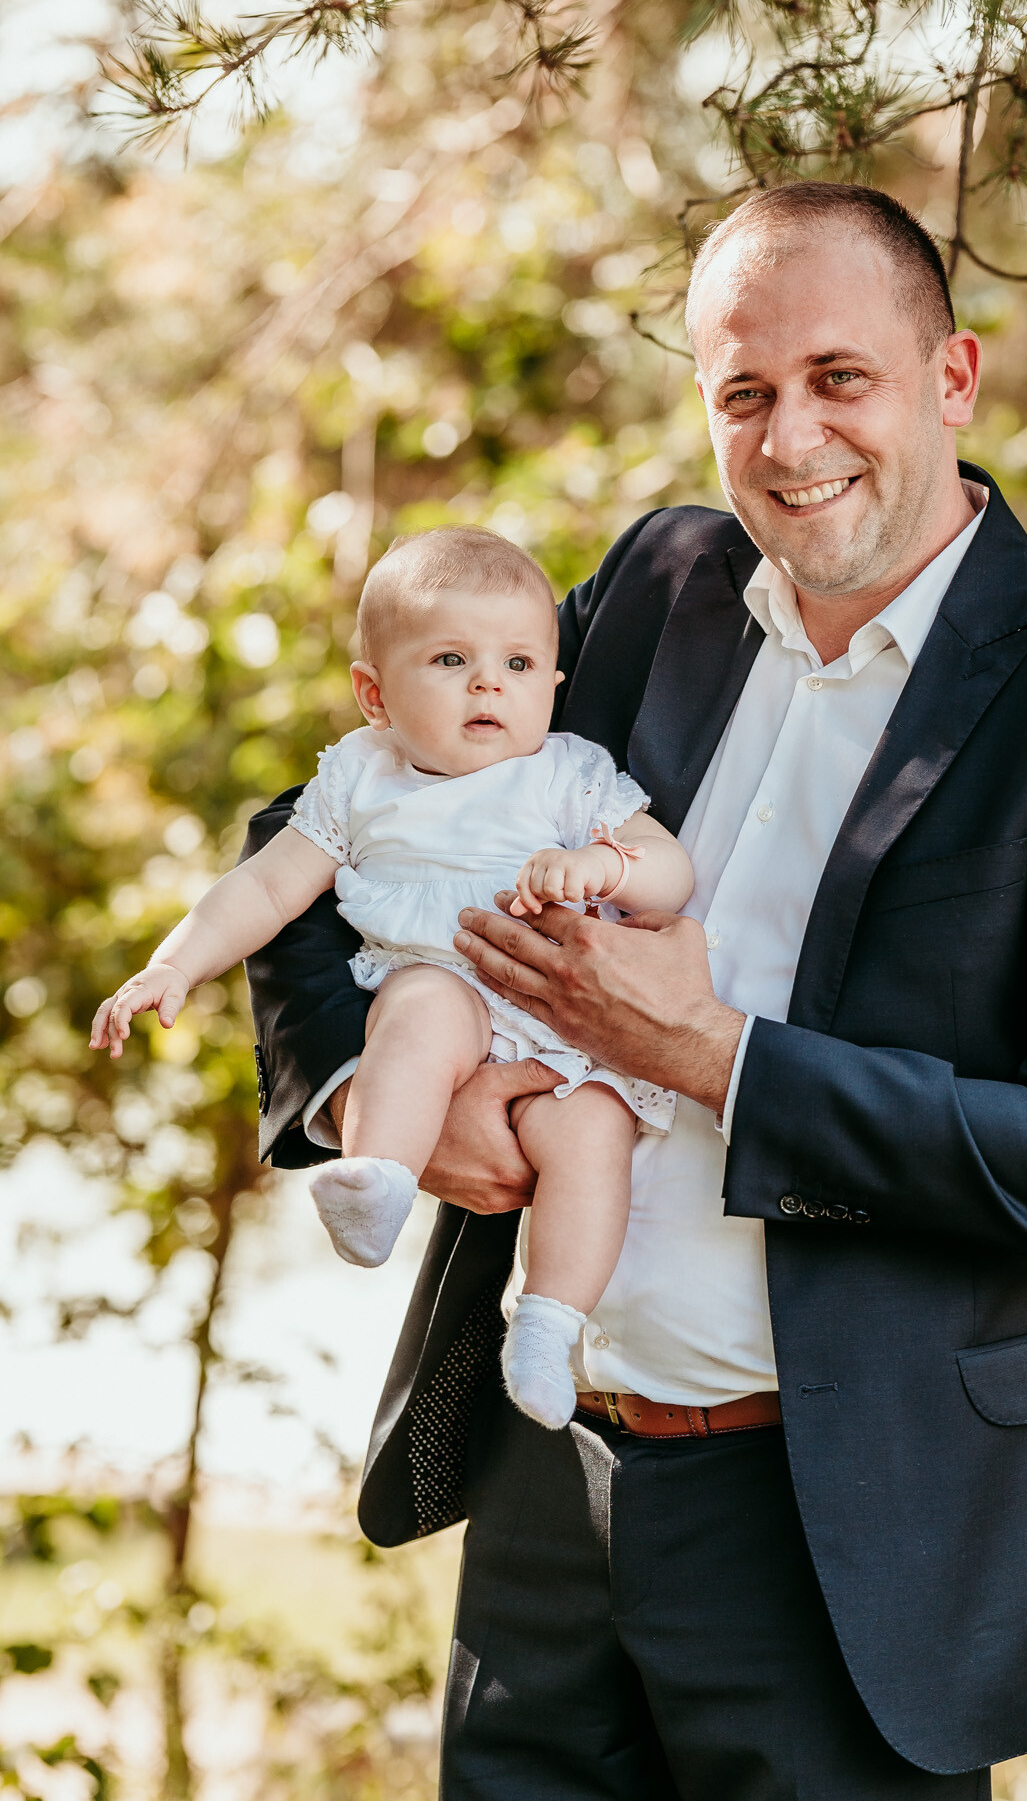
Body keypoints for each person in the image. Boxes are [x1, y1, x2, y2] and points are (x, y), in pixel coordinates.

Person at [243, 182, 1027, 1801]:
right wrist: (380, 1099)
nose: (789, 438)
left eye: (840, 379)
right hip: (547, 1479)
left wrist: (712, 1059)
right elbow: (315, 829)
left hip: (844, 1532)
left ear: (952, 378)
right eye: (743, 391)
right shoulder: (659, 586)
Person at [91, 525, 693, 1428]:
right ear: (374, 694)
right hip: (437, 981)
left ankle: (546, 1324)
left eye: (519, 664)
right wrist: (172, 966)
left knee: (592, 1133)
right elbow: (265, 887)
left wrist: (605, 867)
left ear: (551, 683)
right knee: (418, 1015)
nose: (489, 683)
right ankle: (377, 1178)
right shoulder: (359, 779)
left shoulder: (570, 777)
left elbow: (668, 870)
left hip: (562, 1024)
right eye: (451, 660)